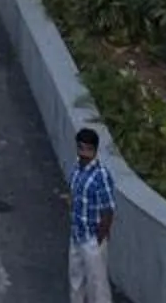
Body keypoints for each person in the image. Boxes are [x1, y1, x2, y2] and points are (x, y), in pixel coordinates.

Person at [65, 125, 115, 303]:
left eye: (88, 149)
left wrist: (99, 238)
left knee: (97, 286)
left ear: (95, 150)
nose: (84, 153)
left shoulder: (101, 175)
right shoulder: (76, 169)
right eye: (81, 148)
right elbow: (73, 193)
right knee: (76, 280)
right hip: (77, 235)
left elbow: (108, 209)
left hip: (92, 239)